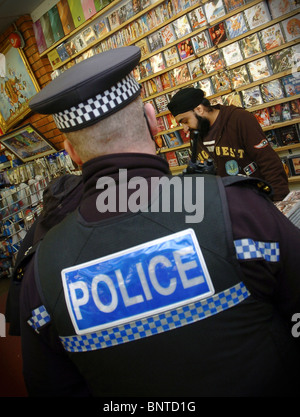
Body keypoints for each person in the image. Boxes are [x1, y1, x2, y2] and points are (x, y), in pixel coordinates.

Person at [15, 46, 300, 397]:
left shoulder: (42, 271)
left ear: (71, 153)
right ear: (152, 120)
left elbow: (51, 386)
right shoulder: (238, 210)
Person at [167, 87, 289, 201]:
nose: (185, 129)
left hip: (258, 200)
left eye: (185, 121)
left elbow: (269, 163)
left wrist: (278, 201)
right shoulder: (196, 134)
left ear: (199, 109)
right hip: (230, 207)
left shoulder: (239, 119)